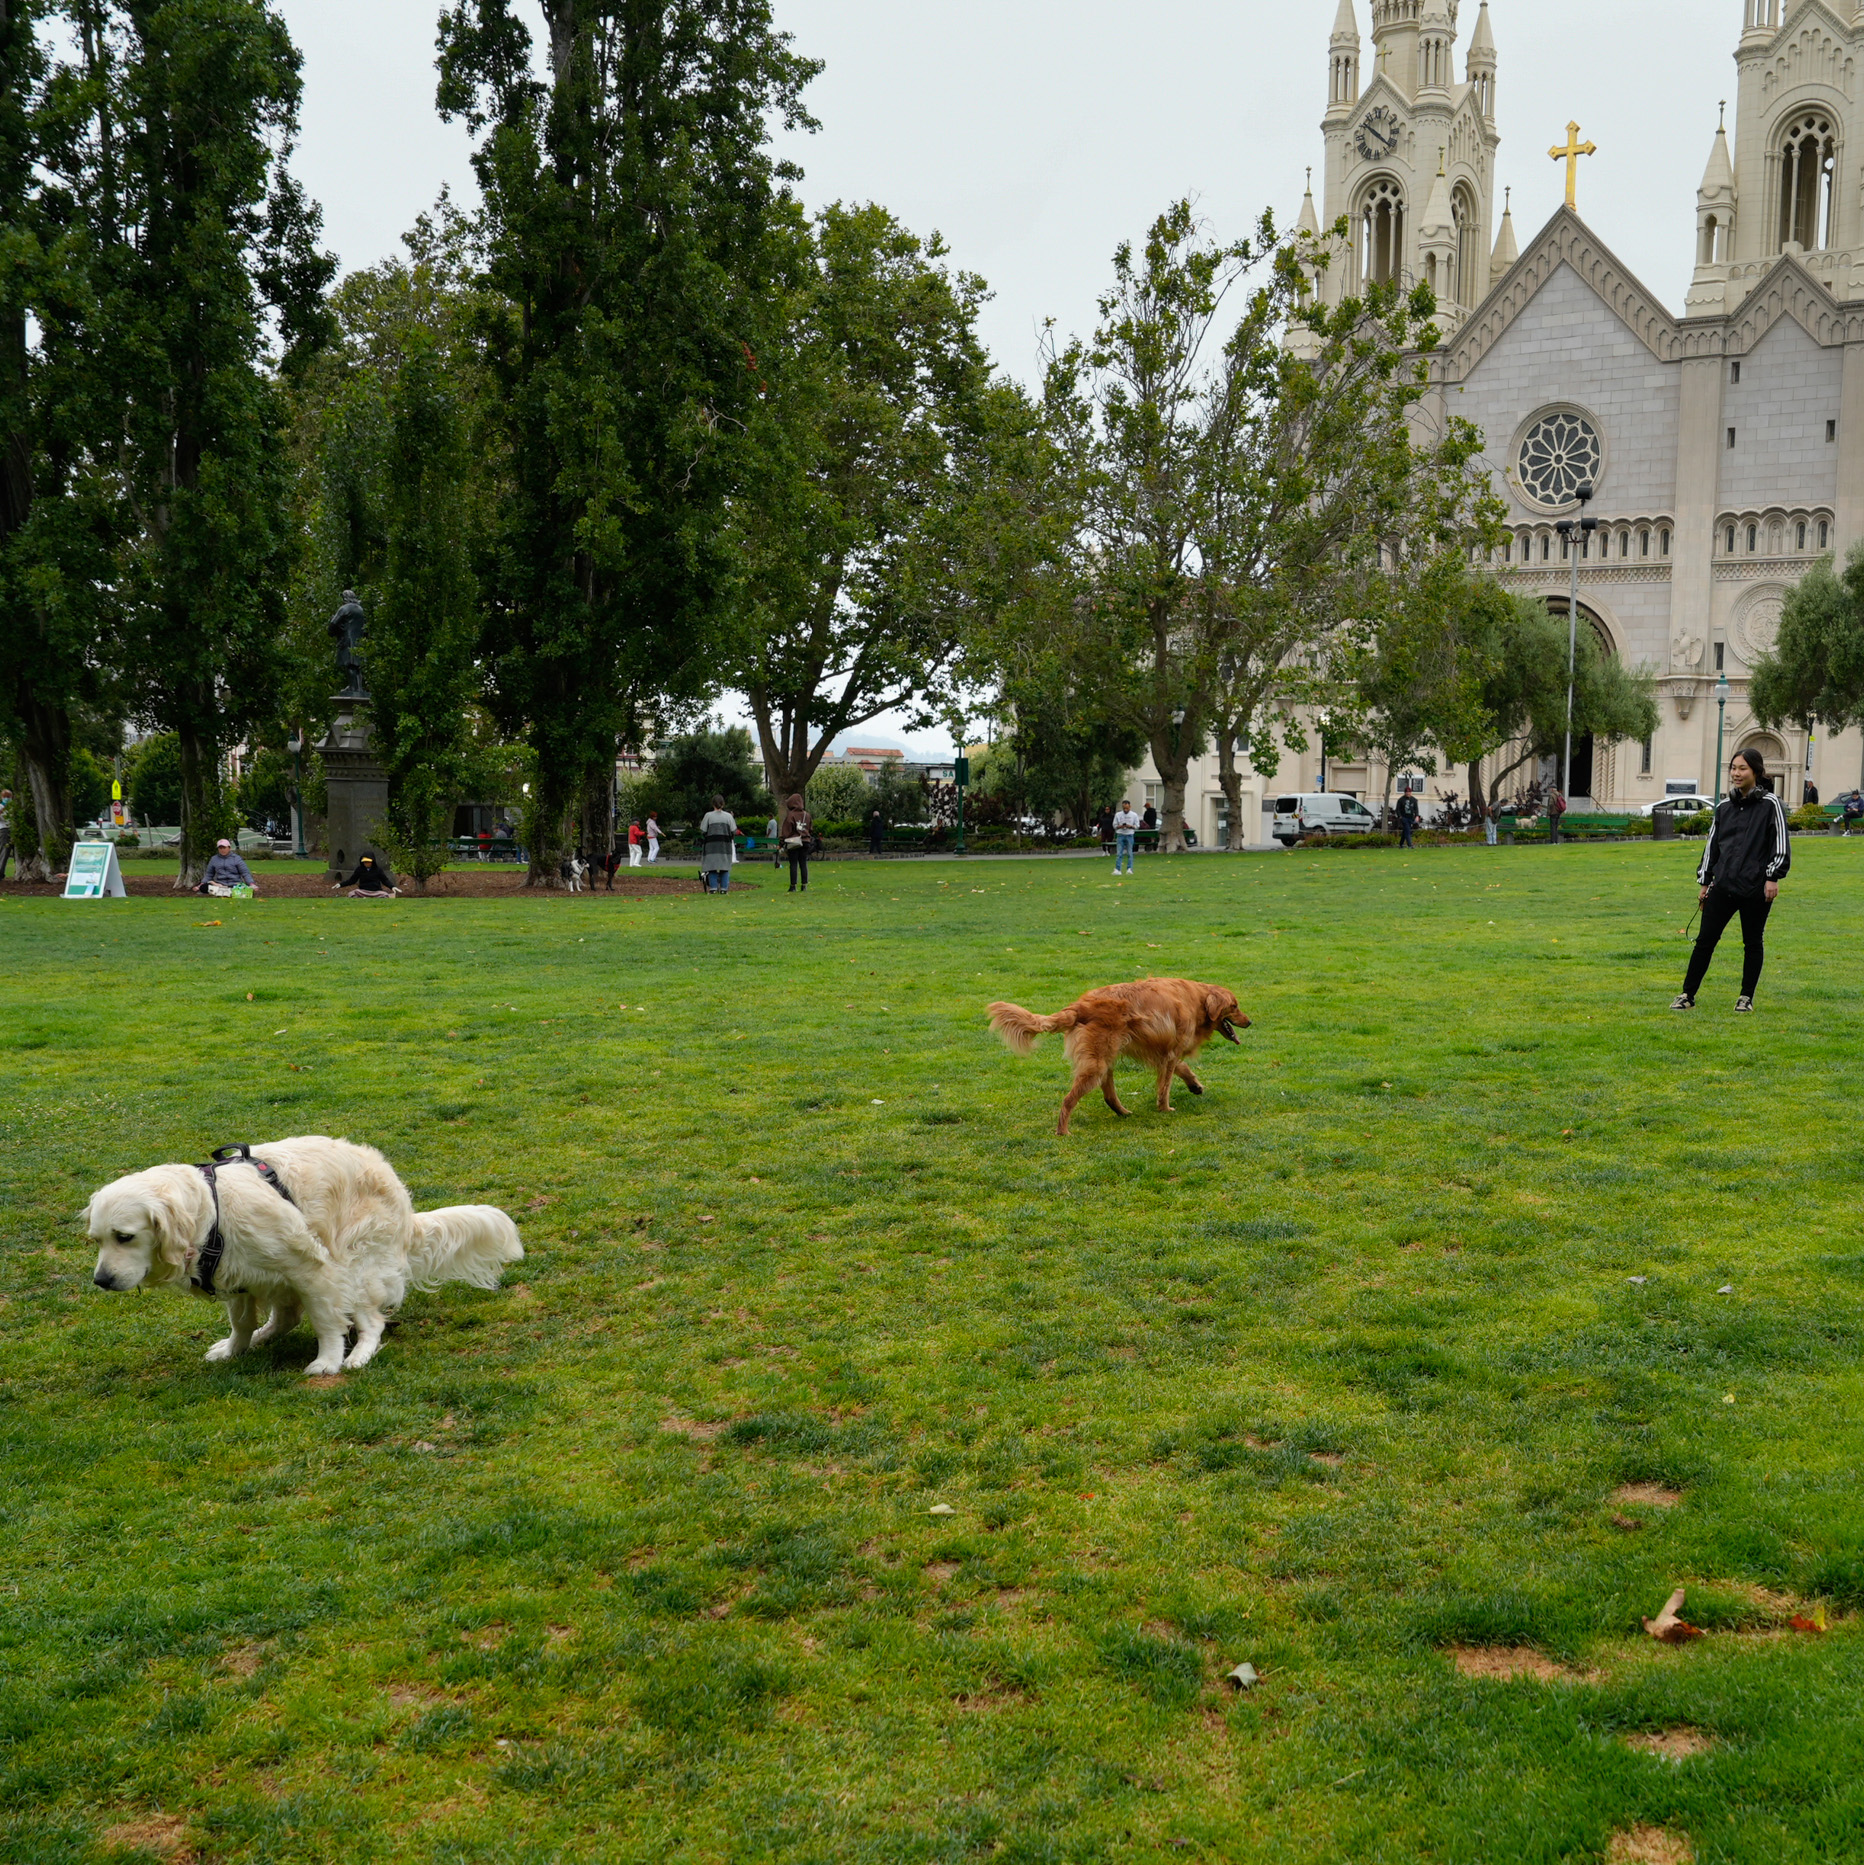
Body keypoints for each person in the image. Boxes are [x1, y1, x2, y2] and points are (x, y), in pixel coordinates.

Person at [1672, 748, 1790, 1014]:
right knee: (1705, 941)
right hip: (1722, 886)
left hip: (1755, 888)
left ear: (1756, 772)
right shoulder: (1723, 807)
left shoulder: (1771, 804)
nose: (1736, 774)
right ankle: (1687, 994)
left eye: (1743, 768)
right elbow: (1712, 845)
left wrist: (1772, 877)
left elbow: (1780, 844)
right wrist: (1705, 882)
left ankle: (1745, 997)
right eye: (1733, 768)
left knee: (1752, 942)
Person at [698, 794, 737, 893]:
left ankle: (713, 888)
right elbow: (733, 831)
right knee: (724, 867)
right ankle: (724, 889)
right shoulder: (728, 816)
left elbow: (703, 830)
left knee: (712, 866)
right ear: (723, 804)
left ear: (713, 804)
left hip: (711, 846)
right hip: (725, 845)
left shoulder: (708, 816)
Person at [781, 792, 815, 893]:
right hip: (806, 841)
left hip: (794, 842)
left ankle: (793, 886)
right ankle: (804, 885)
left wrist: (781, 843)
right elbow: (811, 829)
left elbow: (786, 832)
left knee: (793, 864)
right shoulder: (807, 815)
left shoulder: (790, 816)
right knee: (803, 863)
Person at [1111, 797, 1140, 875]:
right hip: (1120, 834)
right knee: (1119, 853)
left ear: (1130, 807)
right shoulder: (1118, 814)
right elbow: (1114, 825)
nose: (1125, 810)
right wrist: (1120, 826)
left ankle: (1129, 868)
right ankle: (1118, 869)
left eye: (1127, 808)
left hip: (1129, 835)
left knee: (1130, 853)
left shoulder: (1134, 815)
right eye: (1124, 808)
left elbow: (1137, 825)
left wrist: (1130, 826)